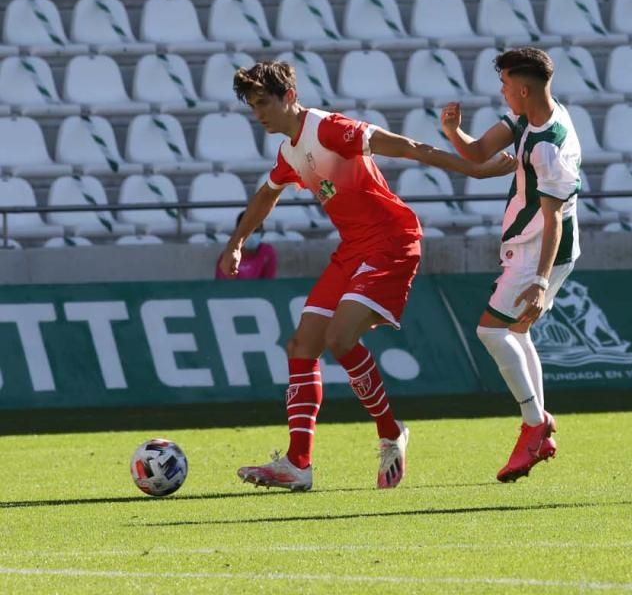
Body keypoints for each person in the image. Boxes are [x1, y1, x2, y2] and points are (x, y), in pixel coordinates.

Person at [221, 60, 514, 491]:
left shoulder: (330, 130)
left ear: (288, 97)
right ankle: (298, 463)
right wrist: (236, 242)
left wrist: (475, 170)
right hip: (353, 249)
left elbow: (408, 146)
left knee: (340, 338)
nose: (259, 113)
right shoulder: (289, 152)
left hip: (393, 241)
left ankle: (391, 433)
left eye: (264, 102)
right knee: (302, 344)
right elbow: (266, 195)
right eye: (252, 106)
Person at [440, 47, 582, 482]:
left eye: (504, 85)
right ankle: (540, 423)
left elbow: (553, 216)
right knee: (515, 331)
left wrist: (539, 280)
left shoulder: (549, 145)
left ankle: (534, 424)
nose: (501, 91)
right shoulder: (528, 118)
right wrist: (452, 132)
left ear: (523, 89)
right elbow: (479, 153)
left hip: (540, 249)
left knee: (491, 330)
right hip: (537, 246)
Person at [215, 211, 276, 280]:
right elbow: (224, 288)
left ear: (262, 232)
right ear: (238, 232)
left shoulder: (267, 253)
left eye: (256, 231)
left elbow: (269, 285)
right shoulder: (228, 257)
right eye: (247, 230)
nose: (251, 234)